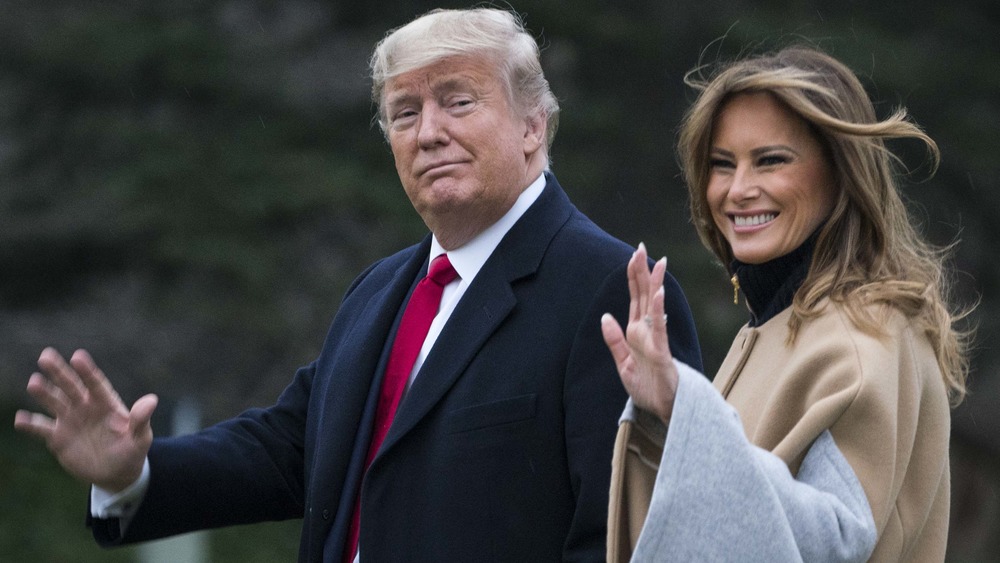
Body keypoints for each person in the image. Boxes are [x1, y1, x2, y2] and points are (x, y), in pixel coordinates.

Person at [13, 8, 702, 563]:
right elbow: (291, 448)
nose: (428, 132)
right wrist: (132, 474)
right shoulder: (379, 290)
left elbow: (627, 536)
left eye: (457, 102)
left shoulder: (615, 290)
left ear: (532, 125)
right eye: (405, 113)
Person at [600, 46, 971, 562]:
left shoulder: (862, 338)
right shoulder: (784, 322)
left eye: (771, 160)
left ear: (842, 172)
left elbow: (830, 541)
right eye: (721, 165)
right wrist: (666, 415)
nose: (739, 190)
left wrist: (683, 407)